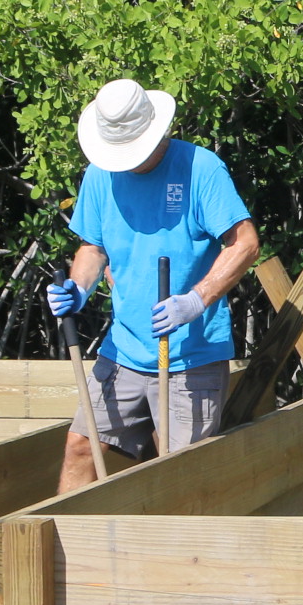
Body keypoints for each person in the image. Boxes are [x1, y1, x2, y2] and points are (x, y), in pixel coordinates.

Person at [48, 78, 262, 490]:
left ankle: (177, 556)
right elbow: (92, 247)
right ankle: (70, 554)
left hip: (189, 356)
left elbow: (245, 244)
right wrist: (77, 290)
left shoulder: (200, 168)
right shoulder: (100, 175)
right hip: (123, 349)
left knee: (178, 476)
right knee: (80, 447)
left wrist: (195, 301)